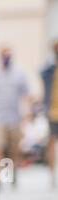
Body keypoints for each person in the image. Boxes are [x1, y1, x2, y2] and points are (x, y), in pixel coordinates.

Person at [0, 46, 33, 188]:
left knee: (13, 150)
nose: (6, 58)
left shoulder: (19, 75)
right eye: (4, 55)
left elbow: (26, 95)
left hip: (14, 118)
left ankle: (10, 174)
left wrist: (28, 113)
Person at [43, 40, 58, 187]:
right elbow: (41, 72)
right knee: (52, 143)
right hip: (53, 112)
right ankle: (52, 174)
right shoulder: (49, 69)